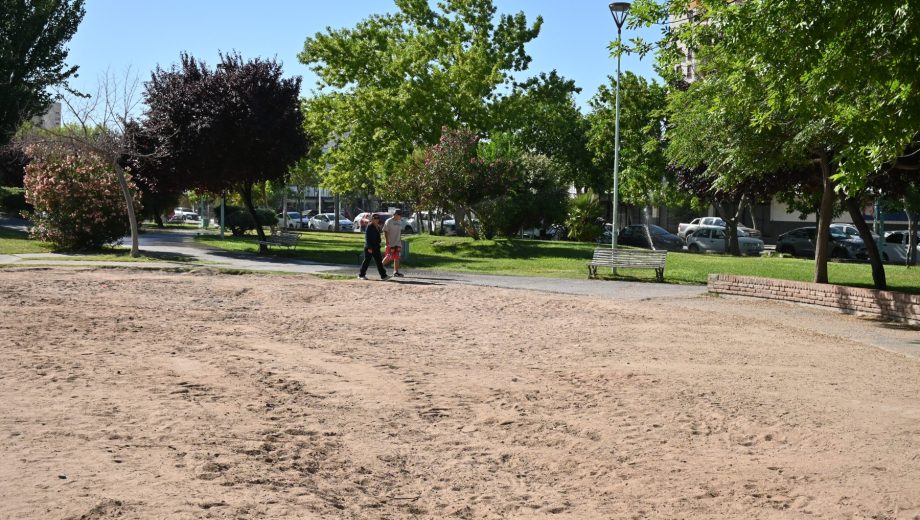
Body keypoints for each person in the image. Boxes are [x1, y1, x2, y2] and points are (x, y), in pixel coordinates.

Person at [358, 214, 388, 280]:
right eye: (375, 218)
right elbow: (367, 238)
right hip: (370, 247)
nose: (376, 220)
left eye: (378, 218)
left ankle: (384, 276)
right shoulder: (370, 226)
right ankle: (361, 275)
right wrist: (369, 247)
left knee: (379, 261)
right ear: (372, 219)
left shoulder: (377, 226)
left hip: (376, 247)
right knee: (367, 261)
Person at [382, 209, 404, 277]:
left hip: (397, 242)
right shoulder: (389, 221)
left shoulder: (400, 222)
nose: (401, 216)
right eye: (400, 215)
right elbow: (385, 231)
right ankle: (380, 266)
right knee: (389, 256)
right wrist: (387, 242)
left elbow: (399, 232)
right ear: (396, 214)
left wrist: (400, 241)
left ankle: (396, 272)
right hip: (390, 242)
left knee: (397, 257)